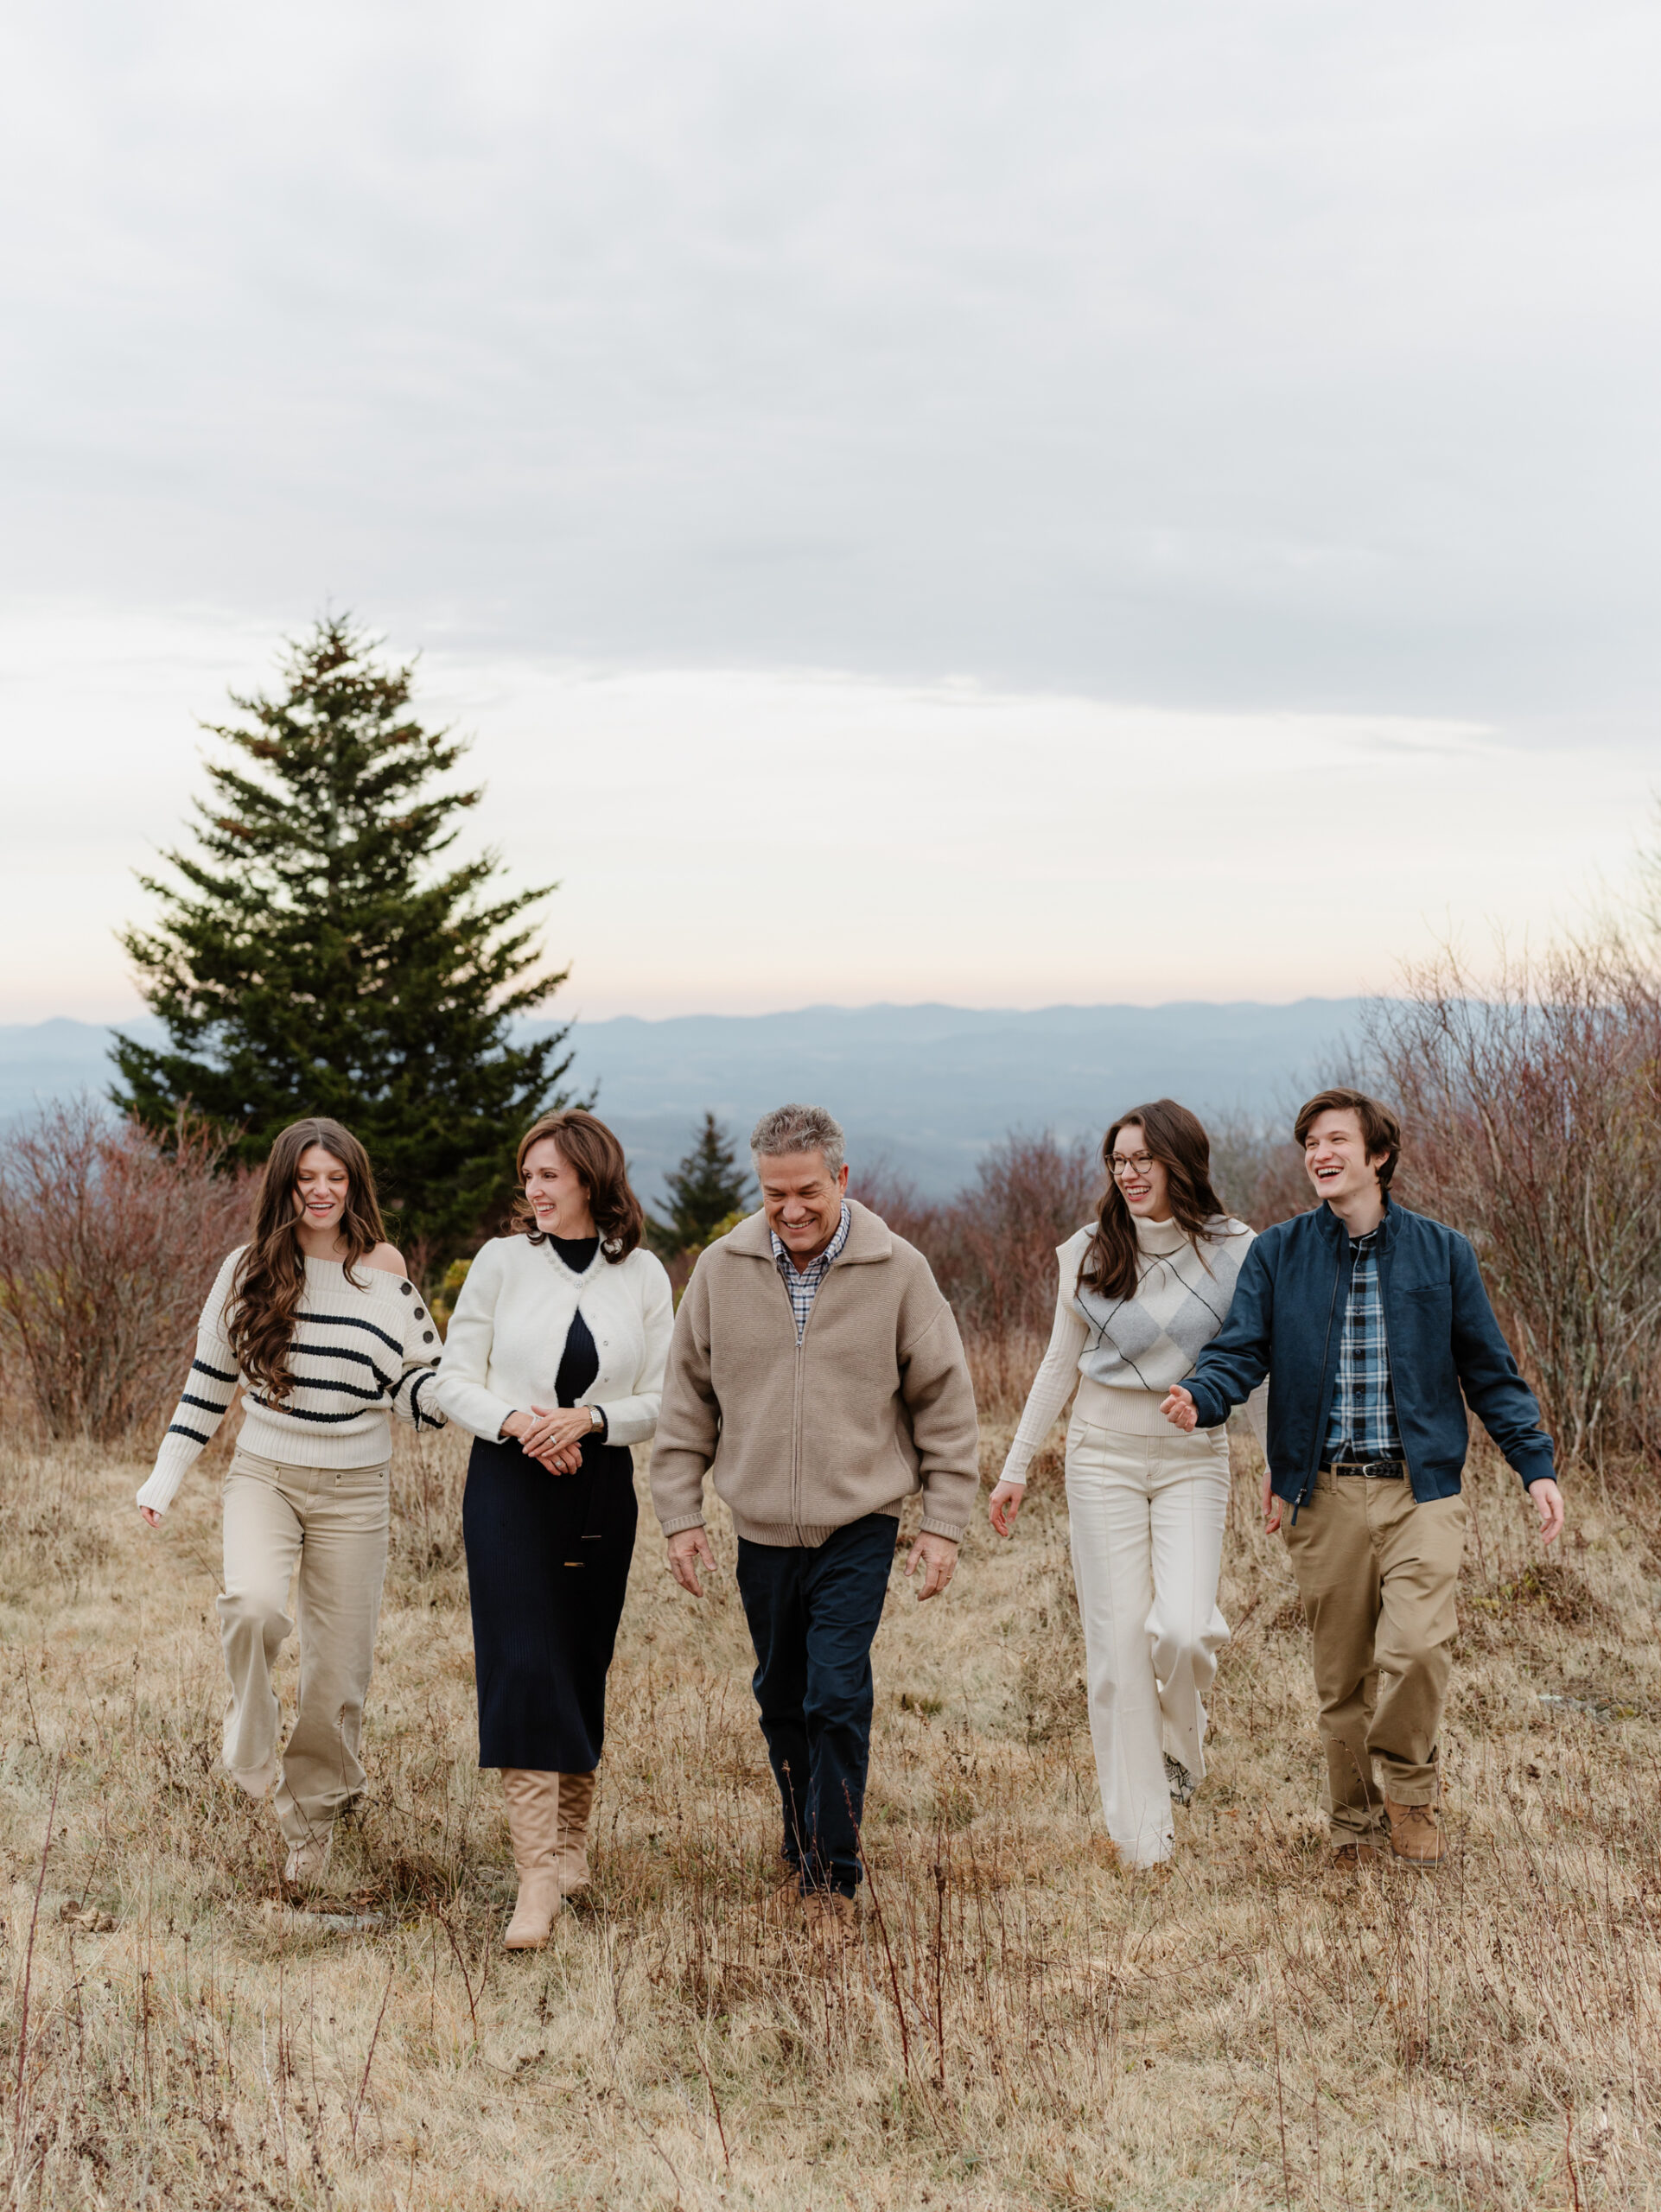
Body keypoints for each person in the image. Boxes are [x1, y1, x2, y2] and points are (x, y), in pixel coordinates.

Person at [1163, 1087, 1564, 1868]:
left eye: (1337, 1139)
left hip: (1424, 1491)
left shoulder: (1442, 1252)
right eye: (1310, 1141)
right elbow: (1241, 1349)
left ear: (1378, 1156)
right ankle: (1351, 1824)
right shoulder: (1279, 1253)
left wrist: (1534, 1465)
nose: (1320, 1153)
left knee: (1415, 1649)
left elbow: (1491, 1372)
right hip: (1327, 1494)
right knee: (1341, 1677)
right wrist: (1204, 1396)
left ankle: (1409, 1793)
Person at [650, 1103, 979, 1948]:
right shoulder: (721, 1271)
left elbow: (943, 1404)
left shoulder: (896, 1270)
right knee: (779, 1696)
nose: (789, 1210)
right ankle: (797, 1839)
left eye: (805, 1191)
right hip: (759, 1526)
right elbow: (686, 1398)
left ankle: (832, 1873)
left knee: (834, 1690)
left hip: (858, 1519)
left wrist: (940, 1525)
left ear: (840, 1177)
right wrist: (680, 1515)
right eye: (771, 1194)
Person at [137, 1117, 444, 1888]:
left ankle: (311, 1827)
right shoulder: (247, 1270)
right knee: (252, 1606)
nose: (322, 1191)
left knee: (337, 1677)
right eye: (307, 1178)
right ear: (285, 1185)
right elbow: (208, 1382)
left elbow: (424, 1377)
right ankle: (250, 1732)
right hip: (266, 1473)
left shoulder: (384, 1269)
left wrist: (464, 1407)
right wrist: (164, 1480)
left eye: (335, 1178)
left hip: (357, 1489)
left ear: (354, 1184)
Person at [987, 1101, 1262, 1867]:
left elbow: (1257, 1361)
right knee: (1114, 1648)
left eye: (1144, 1159)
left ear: (1182, 1162)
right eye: (1119, 1160)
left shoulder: (1237, 1250)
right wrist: (1015, 1467)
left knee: (1181, 1628)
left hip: (1193, 1457)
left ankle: (1180, 1734)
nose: (1130, 1174)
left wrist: (1277, 1463)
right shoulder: (1087, 1251)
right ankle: (1142, 1837)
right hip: (1100, 1453)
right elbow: (1056, 1364)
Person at [436, 1110, 672, 1950]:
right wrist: (518, 1424)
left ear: (589, 1178)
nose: (532, 1190)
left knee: (580, 1659)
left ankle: (572, 1845)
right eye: (526, 1175)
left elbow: (664, 1397)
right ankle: (535, 1875)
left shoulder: (640, 1273)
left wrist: (588, 1421)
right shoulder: (502, 1264)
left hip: (599, 1481)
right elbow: (447, 1378)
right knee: (524, 1662)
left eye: (548, 1176)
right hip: (507, 1482)